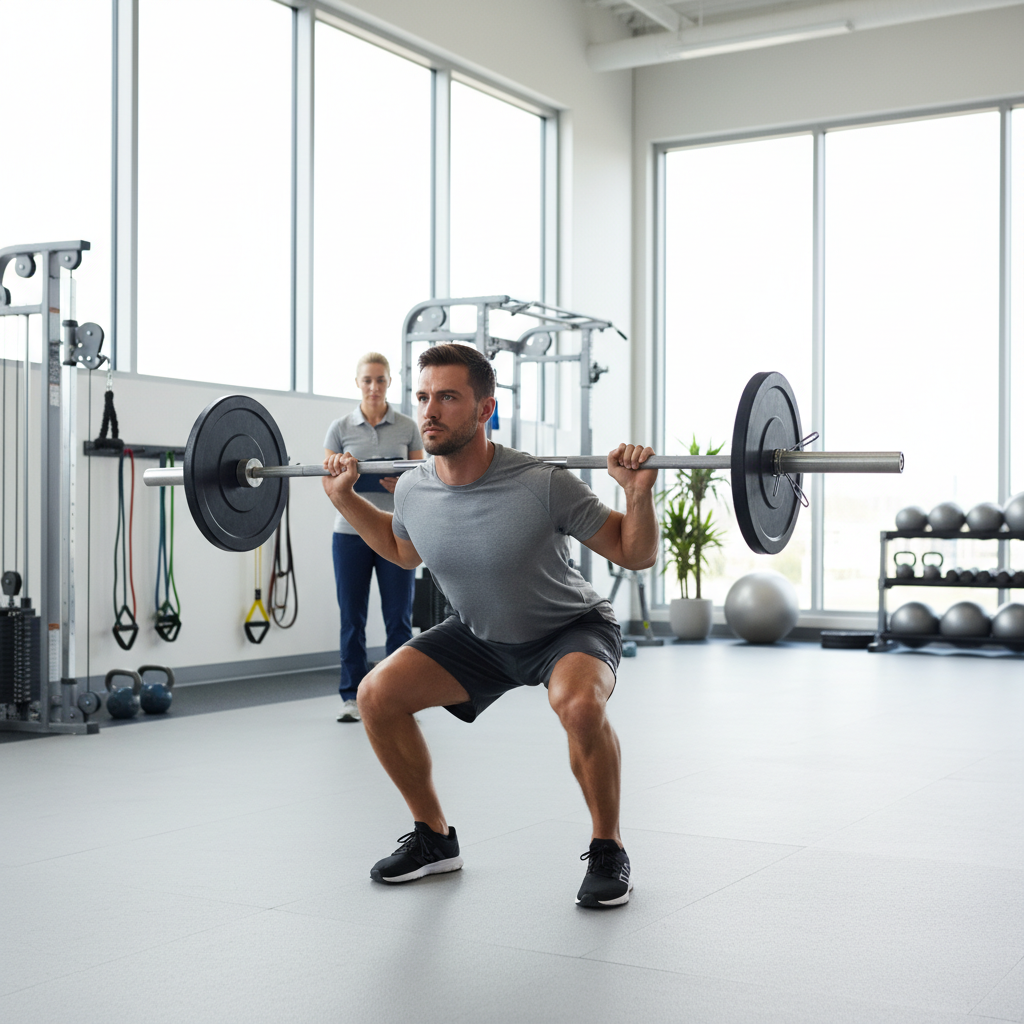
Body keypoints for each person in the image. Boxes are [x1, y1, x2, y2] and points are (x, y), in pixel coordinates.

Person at [321, 343, 658, 907]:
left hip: (567, 628)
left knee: (578, 706)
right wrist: (345, 498)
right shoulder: (412, 487)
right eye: (424, 397)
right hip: (479, 634)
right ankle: (434, 839)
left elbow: (634, 552)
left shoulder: (541, 482)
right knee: (375, 695)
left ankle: (608, 848)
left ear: (484, 410)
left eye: (448, 398)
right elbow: (402, 552)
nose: (430, 411)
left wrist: (638, 494)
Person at [324, 352, 423, 723]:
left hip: (398, 531)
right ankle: (351, 696)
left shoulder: (408, 427)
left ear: (389, 383)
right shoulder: (339, 428)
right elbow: (328, 484)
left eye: (380, 380)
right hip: (350, 533)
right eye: (367, 380)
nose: (374, 387)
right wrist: (348, 481)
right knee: (352, 617)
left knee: (398, 617)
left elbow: (424, 478)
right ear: (357, 383)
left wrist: (403, 484)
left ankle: (399, 695)